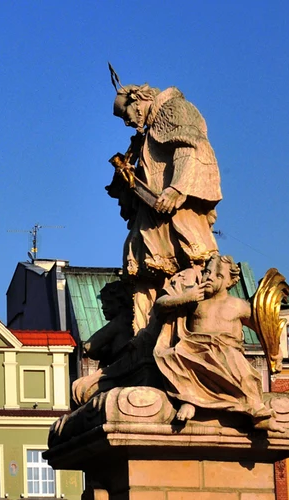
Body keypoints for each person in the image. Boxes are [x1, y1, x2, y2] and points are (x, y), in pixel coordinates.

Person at [108, 82, 222, 332]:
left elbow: (187, 148)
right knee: (146, 270)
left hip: (177, 205)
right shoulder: (146, 133)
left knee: (191, 257)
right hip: (151, 212)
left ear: (137, 101)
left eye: (125, 114)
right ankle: (145, 334)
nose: (127, 122)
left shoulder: (175, 109)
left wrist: (177, 188)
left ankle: (196, 326)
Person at [152, 255, 272, 428]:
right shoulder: (195, 301)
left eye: (219, 276)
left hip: (227, 352)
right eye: (207, 272)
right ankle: (189, 400)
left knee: (243, 372)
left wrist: (275, 351)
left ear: (230, 282)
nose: (209, 278)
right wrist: (185, 297)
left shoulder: (238, 305)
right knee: (175, 356)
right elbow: (160, 305)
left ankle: (256, 411)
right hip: (195, 350)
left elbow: (264, 328)